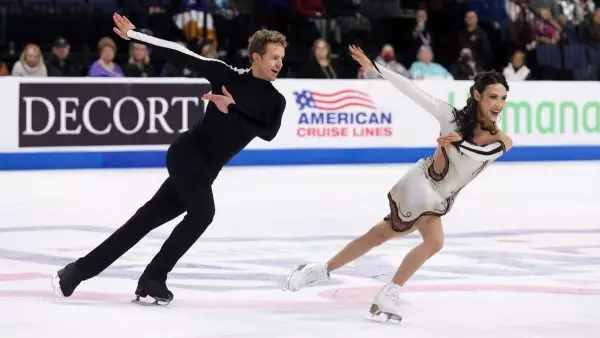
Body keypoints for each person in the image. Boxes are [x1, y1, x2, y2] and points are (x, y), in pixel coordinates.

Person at [51, 13, 287, 305]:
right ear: (256, 57)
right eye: (274, 57)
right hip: (187, 154)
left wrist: (234, 109)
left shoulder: (276, 100)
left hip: (206, 169)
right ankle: (154, 277)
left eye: (281, 58)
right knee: (203, 214)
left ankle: (75, 273)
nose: (279, 64)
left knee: (143, 220)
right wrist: (137, 36)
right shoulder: (226, 75)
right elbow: (183, 54)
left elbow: (268, 133)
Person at [282, 45, 513, 322]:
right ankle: (385, 291)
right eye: (492, 97)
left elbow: (482, 152)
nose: (498, 104)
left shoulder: (502, 141)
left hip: (440, 197)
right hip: (422, 185)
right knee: (427, 240)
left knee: (387, 234)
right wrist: (375, 67)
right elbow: (412, 91)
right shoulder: (450, 118)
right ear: (477, 96)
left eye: (502, 98)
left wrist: (460, 142)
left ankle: (325, 270)